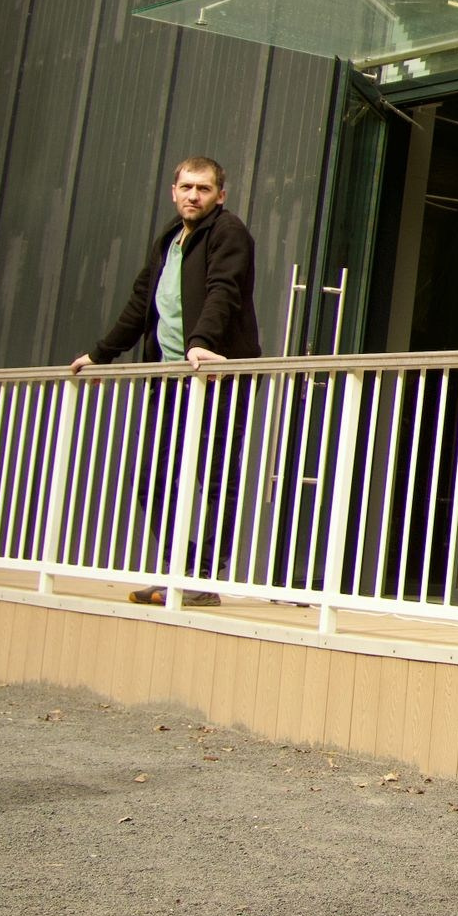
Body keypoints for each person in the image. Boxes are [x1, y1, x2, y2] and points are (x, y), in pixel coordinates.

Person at [71, 156, 261, 607]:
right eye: (187, 187)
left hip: (214, 374)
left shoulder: (228, 232)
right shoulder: (168, 241)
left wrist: (200, 342)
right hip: (172, 378)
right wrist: (101, 355)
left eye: (204, 188)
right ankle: (185, 568)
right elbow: (143, 306)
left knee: (215, 479)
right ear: (173, 191)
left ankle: (201, 577)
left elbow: (224, 290)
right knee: (153, 481)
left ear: (220, 195)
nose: (194, 195)